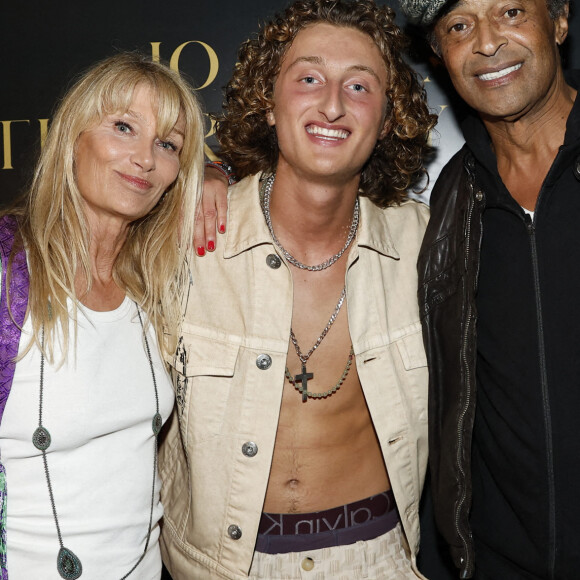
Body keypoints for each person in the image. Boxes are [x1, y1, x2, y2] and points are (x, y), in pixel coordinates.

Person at [158, 1, 437, 578]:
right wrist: (203, 172)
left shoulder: (427, 245)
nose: (332, 103)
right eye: (308, 78)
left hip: (377, 557)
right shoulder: (183, 240)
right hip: (221, 566)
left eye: (359, 86)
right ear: (268, 102)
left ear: (386, 120)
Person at [0, 52, 204, 578]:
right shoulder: (6, 273)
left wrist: (218, 175)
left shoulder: (157, 286)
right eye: (122, 127)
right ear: (71, 137)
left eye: (166, 144)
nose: (144, 158)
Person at [399, 1, 579, 578]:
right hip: (495, 561)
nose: (486, 43)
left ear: (559, 21)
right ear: (439, 55)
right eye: (458, 26)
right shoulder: (451, 200)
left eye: (509, 11)